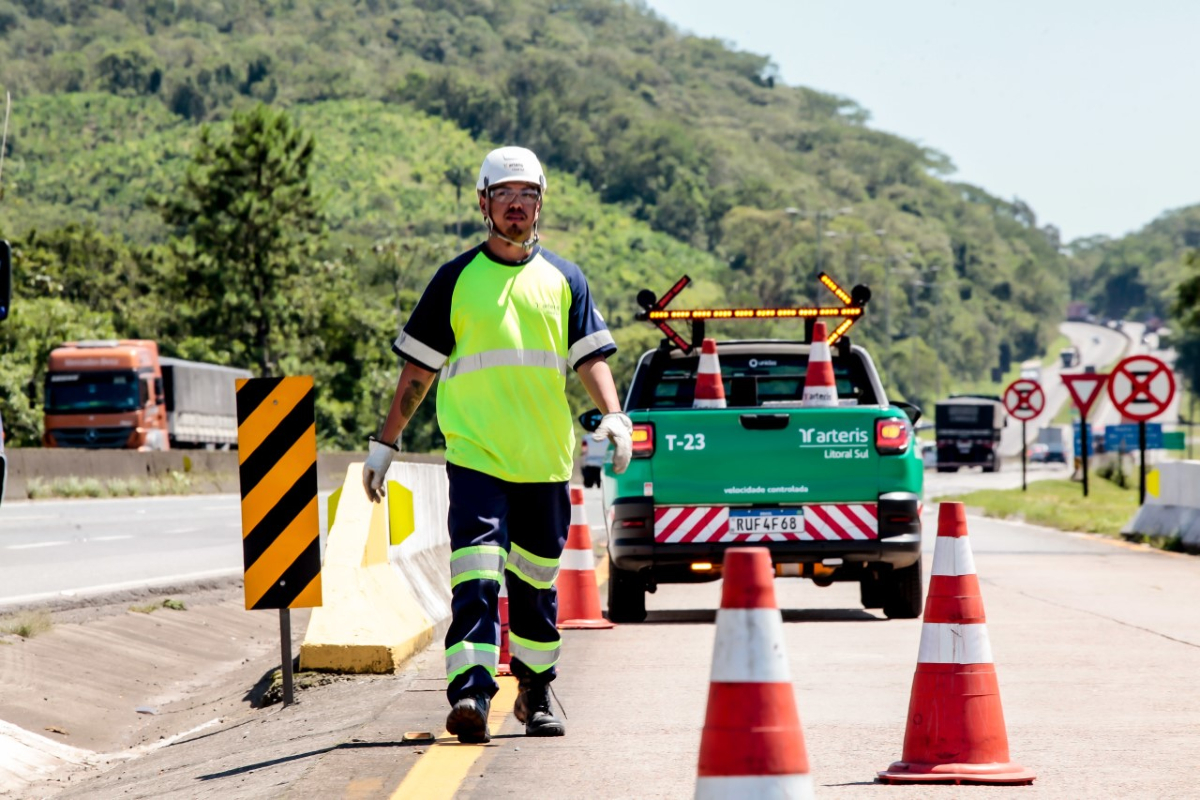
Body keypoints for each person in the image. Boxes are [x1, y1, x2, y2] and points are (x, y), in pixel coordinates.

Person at [361, 146, 633, 744]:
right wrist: (385, 444)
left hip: (544, 461)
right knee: (477, 578)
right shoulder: (455, 280)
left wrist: (616, 415)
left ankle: (534, 692)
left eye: (527, 194)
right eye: (505, 194)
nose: (516, 204)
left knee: (535, 588)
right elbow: (418, 371)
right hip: (476, 457)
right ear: (483, 202)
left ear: (540, 203)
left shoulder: (565, 279)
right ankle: (472, 695)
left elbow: (589, 358)